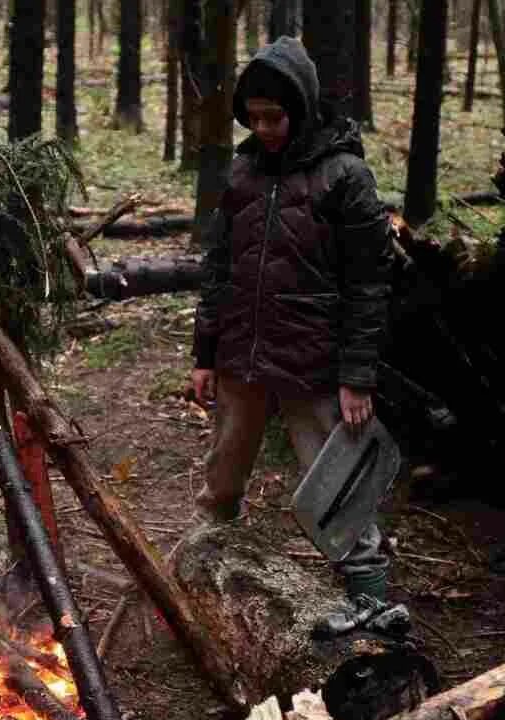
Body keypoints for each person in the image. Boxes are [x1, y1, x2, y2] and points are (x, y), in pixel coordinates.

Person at [189, 35, 395, 604]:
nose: (264, 128)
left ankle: (369, 596)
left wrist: (356, 376)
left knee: (339, 485)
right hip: (241, 355)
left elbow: (369, 285)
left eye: (274, 116)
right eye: (253, 118)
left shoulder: (347, 177)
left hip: (312, 360)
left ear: (300, 108)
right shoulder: (241, 172)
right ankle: (204, 573)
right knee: (221, 479)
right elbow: (219, 268)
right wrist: (205, 354)